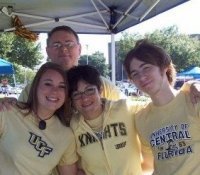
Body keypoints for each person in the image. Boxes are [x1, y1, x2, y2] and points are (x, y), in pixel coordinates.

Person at [123, 39, 200, 175]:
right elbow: (149, 165)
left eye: (146, 68)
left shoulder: (194, 100)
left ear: (164, 67)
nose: (142, 77)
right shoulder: (141, 118)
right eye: (135, 74)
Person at [66, 65, 153, 175]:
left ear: (100, 90)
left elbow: (158, 106)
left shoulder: (124, 109)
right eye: (76, 94)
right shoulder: (72, 127)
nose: (85, 98)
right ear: (71, 100)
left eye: (89, 90)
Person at [0, 62, 77, 175]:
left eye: (62, 86)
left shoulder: (66, 135)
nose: (55, 91)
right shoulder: (8, 111)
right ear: (35, 86)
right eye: (48, 84)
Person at [18, 25, 125, 102]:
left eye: (69, 44)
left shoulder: (102, 86)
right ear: (47, 51)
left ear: (79, 49)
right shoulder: (33, 89)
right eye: (56, 45)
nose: (64, 49)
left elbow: (125, 113)